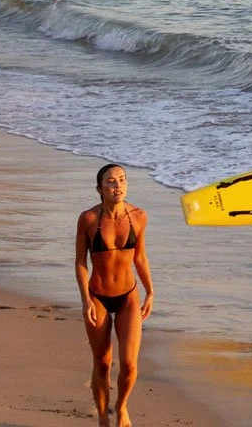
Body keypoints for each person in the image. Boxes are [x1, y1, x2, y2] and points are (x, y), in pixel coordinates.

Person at [75, 163, 154, 427]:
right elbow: (80, 262)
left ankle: (121, 408)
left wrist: (150, 291)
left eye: (122, 180)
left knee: (129, 364)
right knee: (103, 363)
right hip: (97, 295)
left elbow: (140, 257)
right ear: (100, 188)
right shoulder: (88, 219)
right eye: (110, 181)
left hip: (128, 296)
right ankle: (102, 417)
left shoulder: (139, 216)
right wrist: (86, 298)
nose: (117, 185)